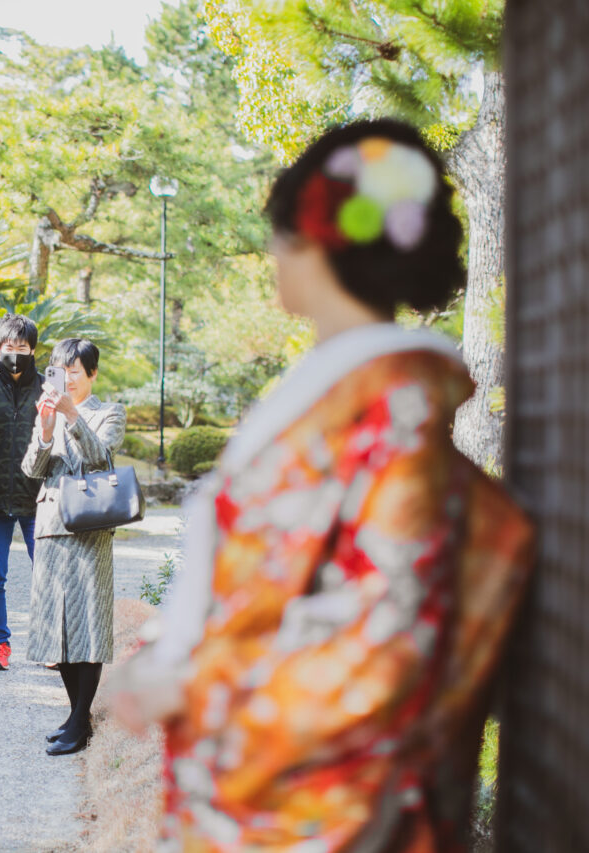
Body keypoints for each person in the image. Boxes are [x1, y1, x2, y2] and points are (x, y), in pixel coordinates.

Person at [108, 119, 535, 851]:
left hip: (310, 811)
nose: (274, 250)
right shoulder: (346, 396)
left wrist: (195, 684)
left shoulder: (391, 408)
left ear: (311, 240)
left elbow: (390, 637)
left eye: (279, 229)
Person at [21, 338, 126, 756]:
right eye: (61, 373)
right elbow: (32, 468)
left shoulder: (109, 412)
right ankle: (73, 714)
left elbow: (100, 459)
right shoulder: (48, 409)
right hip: (50, 524)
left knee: (87, 625)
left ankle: (81, 723)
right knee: (57, 628)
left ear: (92, 373)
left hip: (90, 527)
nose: (68, 381)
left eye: (76, 373)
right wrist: (46, 431)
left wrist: (72, 415)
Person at [0, 313, 44, 671]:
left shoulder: (47, 390)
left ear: (32, 349)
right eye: (8, 345)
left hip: (38, 500)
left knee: (46, 573)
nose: (15, 352)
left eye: (22, 346)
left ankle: (48, 642)